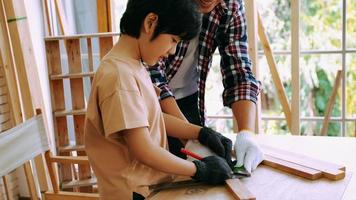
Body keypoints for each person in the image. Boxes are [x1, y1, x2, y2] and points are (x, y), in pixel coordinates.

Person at [84, 0, 233, 199]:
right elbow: (144, 150)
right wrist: (199, 169)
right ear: (150, 23)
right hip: (133, 193)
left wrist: (201, 133)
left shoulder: (133, 66)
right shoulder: (120, 77)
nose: (172, 51)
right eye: (173, 40)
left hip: (147, 188)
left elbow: (150, 119)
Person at [149, 0, 264, 174]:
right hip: (148, 100)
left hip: (189, 99)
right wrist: (192, 137)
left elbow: (239, 72)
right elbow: (153, 78)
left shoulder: (229, 5)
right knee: (157, 176)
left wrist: (246, 133)